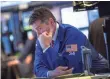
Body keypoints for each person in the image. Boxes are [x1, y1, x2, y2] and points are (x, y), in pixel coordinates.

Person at [29, 7, 108, 78]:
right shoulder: (41, 39)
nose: (38, 35)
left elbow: (68, 70)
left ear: (51, 22)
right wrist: (50, 73)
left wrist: (46, 48)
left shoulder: (72, 34)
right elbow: (37, 68)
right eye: (35, 31)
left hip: (100, 75)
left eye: (39, 28)